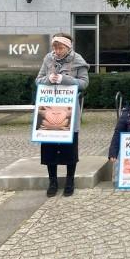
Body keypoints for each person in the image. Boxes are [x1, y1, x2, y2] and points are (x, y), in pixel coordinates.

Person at [36, 32, 89, 197]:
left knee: (69, 150)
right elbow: (38, 80)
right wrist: (47, 79)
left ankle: (70, 181)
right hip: (49, 108)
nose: (57, 51)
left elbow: (84, 83)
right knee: (49, 148)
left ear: (68, 47)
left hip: (69, 111)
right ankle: (52, 181)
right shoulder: (48, 59)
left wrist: (65, 79)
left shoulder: (78, 60)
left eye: (60, 47)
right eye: (55, 47)